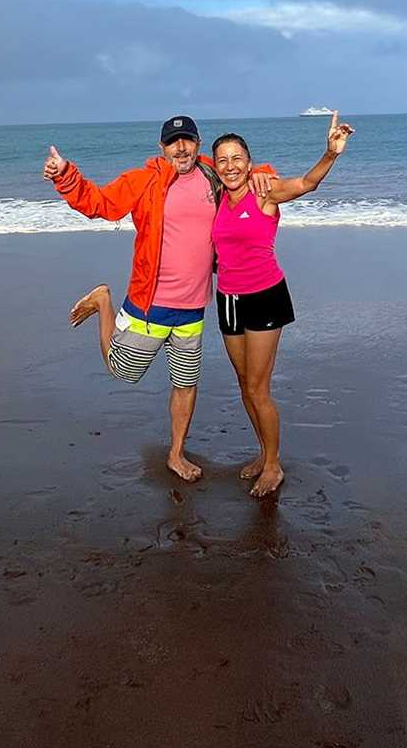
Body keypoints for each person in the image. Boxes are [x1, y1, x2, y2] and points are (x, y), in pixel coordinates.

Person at [43, 115, 256, 483]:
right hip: (151, 302)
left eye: (187, 140)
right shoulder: (145, 181)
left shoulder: (212, 176)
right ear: (162, 147)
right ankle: (103, 300)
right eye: (174, 142)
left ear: (198, 143)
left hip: (193, 308)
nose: (181, 148)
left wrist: (266, 173)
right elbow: (101, 204)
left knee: (185, 384)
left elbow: (242, 171)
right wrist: (65, 174)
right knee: (123, 371)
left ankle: (176, 453)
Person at [210, 113, 355, 498]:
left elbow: (308, 184)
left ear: (249, 160)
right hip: (227, 298)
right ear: (215, 166)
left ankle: (273, 465)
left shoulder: (265, 193)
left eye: (237, 158)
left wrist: (330, 153)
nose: (230, 166)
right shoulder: (218, 197)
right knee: (244, 385)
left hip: (264, 296)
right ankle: (263, 453)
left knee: (259, 388)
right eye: (222, 160)